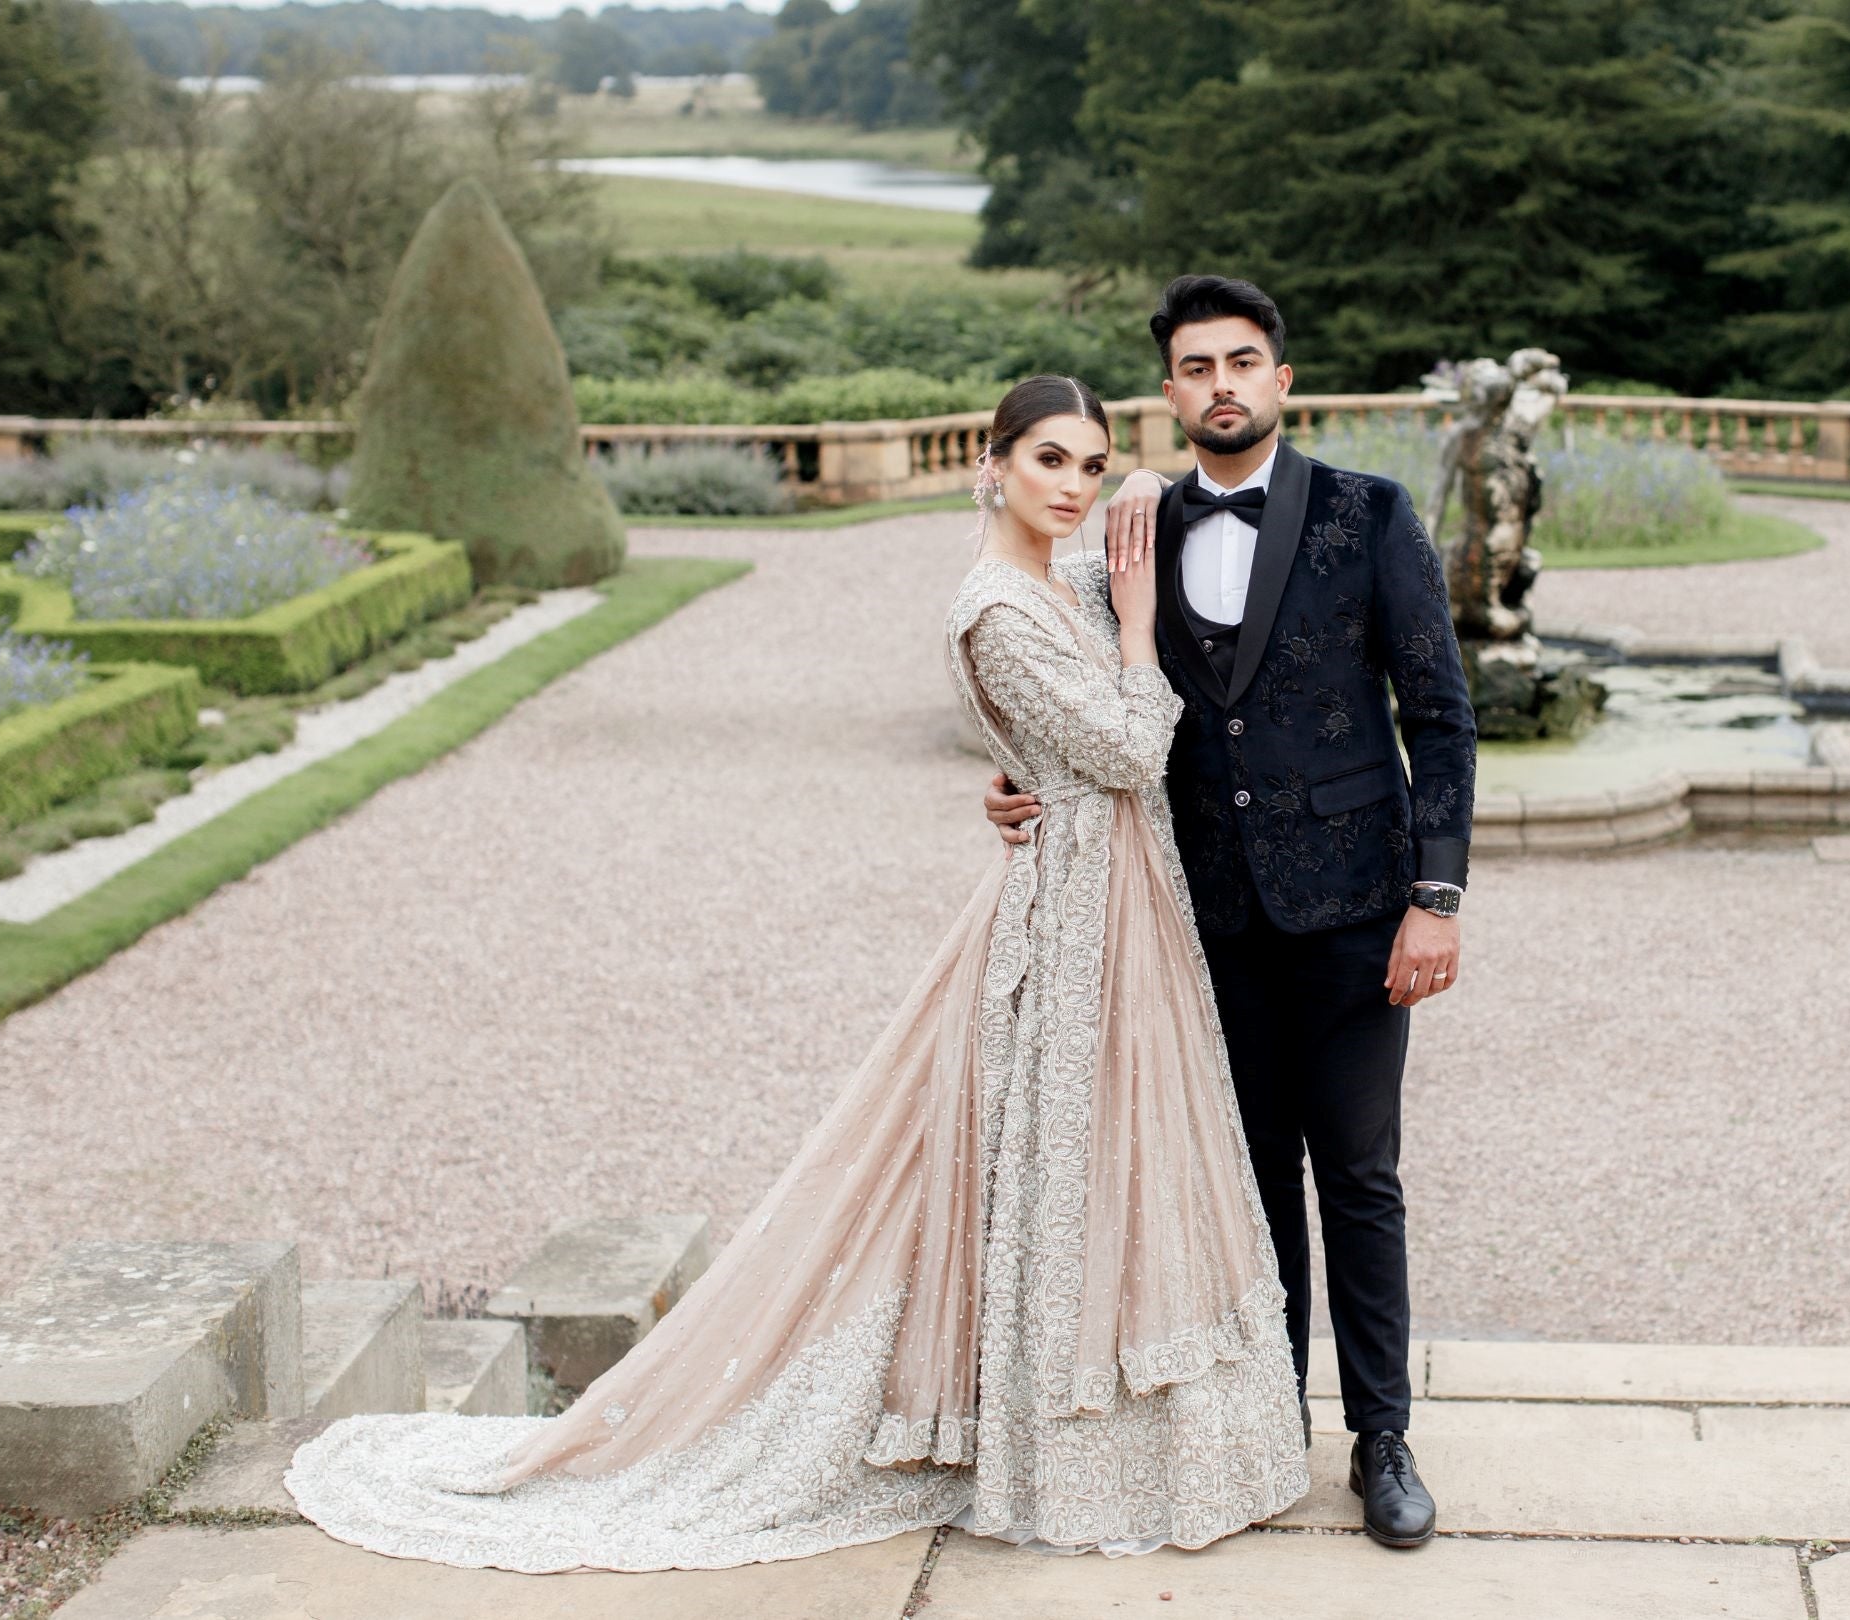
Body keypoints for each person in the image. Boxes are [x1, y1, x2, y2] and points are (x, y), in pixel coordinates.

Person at [283, 374, 1311, 1572]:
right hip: (1077, 905)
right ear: (992, 464)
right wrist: (1138, 631)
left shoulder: (1054, 578)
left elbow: (1109, 579)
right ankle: (1059, 1445)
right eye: (1051, 462)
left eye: (1086, 466)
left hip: (1120, 889)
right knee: (1068, 1156)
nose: (1075, 487)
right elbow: (1134, 745)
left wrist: (1140, 481)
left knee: (1120, 1151)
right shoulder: (994, 609)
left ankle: (1143, 1434)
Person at [985, 276, 1477, 1549]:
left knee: (1360, 1177)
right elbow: (1070, 694)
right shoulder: (1120, 543)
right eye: (1197, 366)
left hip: (1362, 914)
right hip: (1198, 927)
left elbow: (1439, 714)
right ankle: (1264, 1429)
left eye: (1242, 362)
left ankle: (1382, 1441)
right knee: (1245, 1188)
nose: (1222, 384)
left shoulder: (1372, 516)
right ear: (1170, 393)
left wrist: (1436, 897)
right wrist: (1010, 782)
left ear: (1281, 380)